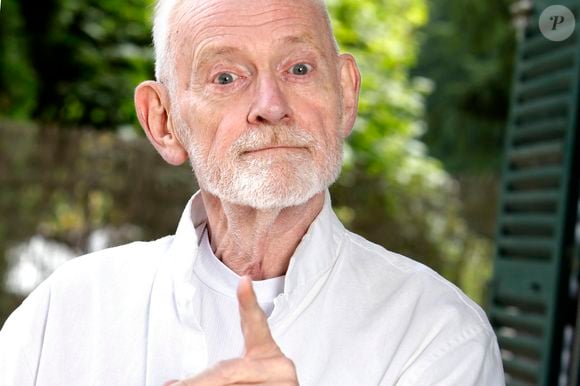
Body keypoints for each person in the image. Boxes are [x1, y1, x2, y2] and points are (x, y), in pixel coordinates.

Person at [0, 0, 505, 384]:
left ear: (346, 93)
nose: (271, 105)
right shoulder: (64, 311)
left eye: (299, 69)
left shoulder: (437, 333)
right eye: (226, 76)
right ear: (163, 121)